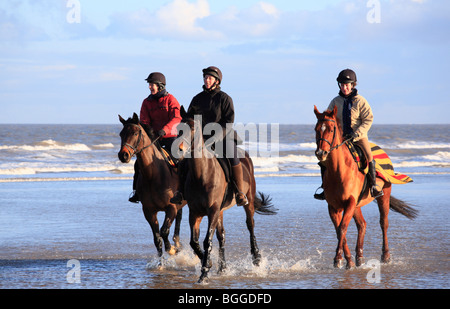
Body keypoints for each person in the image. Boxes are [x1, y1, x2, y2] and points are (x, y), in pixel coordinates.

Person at [170, 66, 248, 206]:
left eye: (210, 78)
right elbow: (189, 119)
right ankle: (180, 192)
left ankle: (240, 193)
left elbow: (228, 122)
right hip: (200, 139)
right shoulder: (197, 99)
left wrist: (215, 137)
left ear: (217, 81)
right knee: (184, 159)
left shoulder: (225, 98)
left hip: (223, 137)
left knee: (233, 155)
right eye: (205, 78)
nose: (207, 80)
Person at [314, 68, 383, 200]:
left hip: (358, 137)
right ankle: (325, 187)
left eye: (347, 85)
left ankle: (374, 186)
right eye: (342, 85)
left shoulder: (360, 101)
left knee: (369, 156)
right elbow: (328, 117)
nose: (344, 87)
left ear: (352, 85)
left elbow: (368, 119)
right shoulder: (335, 101)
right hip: (340, 139)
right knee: (324, 160)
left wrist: (356, 134)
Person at [128, 72, 182, 203]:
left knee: (178, 159)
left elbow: (177, 118)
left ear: (160, 86)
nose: (150, 87)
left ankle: (182, 191)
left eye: (152, 85)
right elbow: (144, 121)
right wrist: (150, 134)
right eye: (149, 85)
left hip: (170, 136)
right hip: (154, 138)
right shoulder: (146, 102)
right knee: (138, 164)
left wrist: (165, 130)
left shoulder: (171, 99)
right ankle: (136, 192)